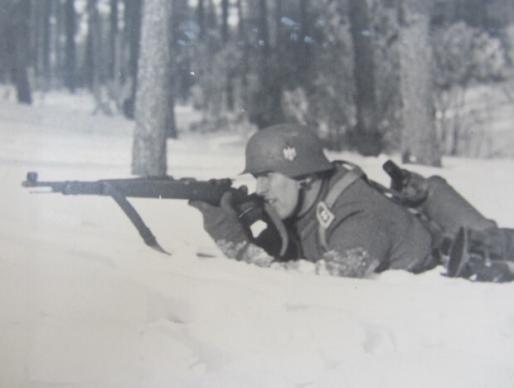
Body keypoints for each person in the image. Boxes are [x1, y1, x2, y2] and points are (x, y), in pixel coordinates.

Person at [190, 124, 514, 282]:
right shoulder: (309, 198)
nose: (259, 189)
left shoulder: (359, 217)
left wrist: (235, 243)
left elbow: (317, 283)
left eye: (267, 177)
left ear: (305, 178)